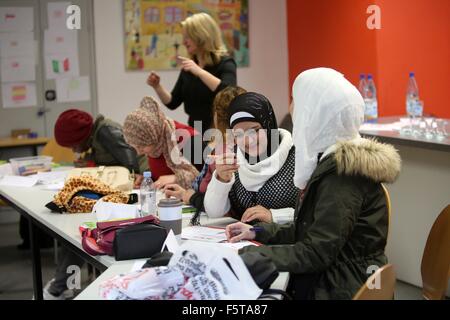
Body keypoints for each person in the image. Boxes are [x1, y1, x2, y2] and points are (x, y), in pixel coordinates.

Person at [225, 68, 402, 300]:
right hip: (342, 276)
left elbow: (316, 253)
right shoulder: (332, 162)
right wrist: (257, 231)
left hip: (339, 287)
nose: (292, 112)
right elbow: (310, 230)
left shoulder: (342, 177)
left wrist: (252, 256)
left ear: (316, 115)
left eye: (297, 103)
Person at [42, 109, 148, 300]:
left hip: (137, 192)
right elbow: (112, 162)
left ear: (81, 135)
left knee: (84, 232)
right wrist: (90, 162)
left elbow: (131, 164)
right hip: (120, 192)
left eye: (74, 145)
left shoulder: (106, 131)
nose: (74, 150)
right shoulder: (96, 135)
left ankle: (58, 286)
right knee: (76, 230)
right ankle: (60, 284)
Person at [203, 92, 299, 224]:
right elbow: (214, 213)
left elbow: (317, 213)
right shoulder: (234, 158)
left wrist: (274, 216)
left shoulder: (296, 157)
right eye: (239, 134)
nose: (248, 140)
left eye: (254, 130)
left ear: (268, 125)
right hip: (246, 240)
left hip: (289, 242)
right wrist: (221, 179)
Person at [163, 86, 247, 219]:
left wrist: (189, 196)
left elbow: (222, 205)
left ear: (217, 116)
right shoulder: (223, 147)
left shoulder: (225, 154)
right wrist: (185, 193)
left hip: (221, 224)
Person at [147, 12, 237, 131]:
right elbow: (172, 102)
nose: (184, 42)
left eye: (187, 37)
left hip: (220, 131)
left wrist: (199, 71)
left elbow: (229, 93)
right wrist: (157, 86)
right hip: (195, 130)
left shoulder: (225, 63)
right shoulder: (189, 67)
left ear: (201, 36)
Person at [123, 96, 200, 190]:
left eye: (141, 147)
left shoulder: (189, 139)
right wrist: (147, 179)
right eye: (134, 147)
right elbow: (161, 173)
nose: (139, 152)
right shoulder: (155, 144)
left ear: (153, 136)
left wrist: (177, 178)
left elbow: (212, 177)